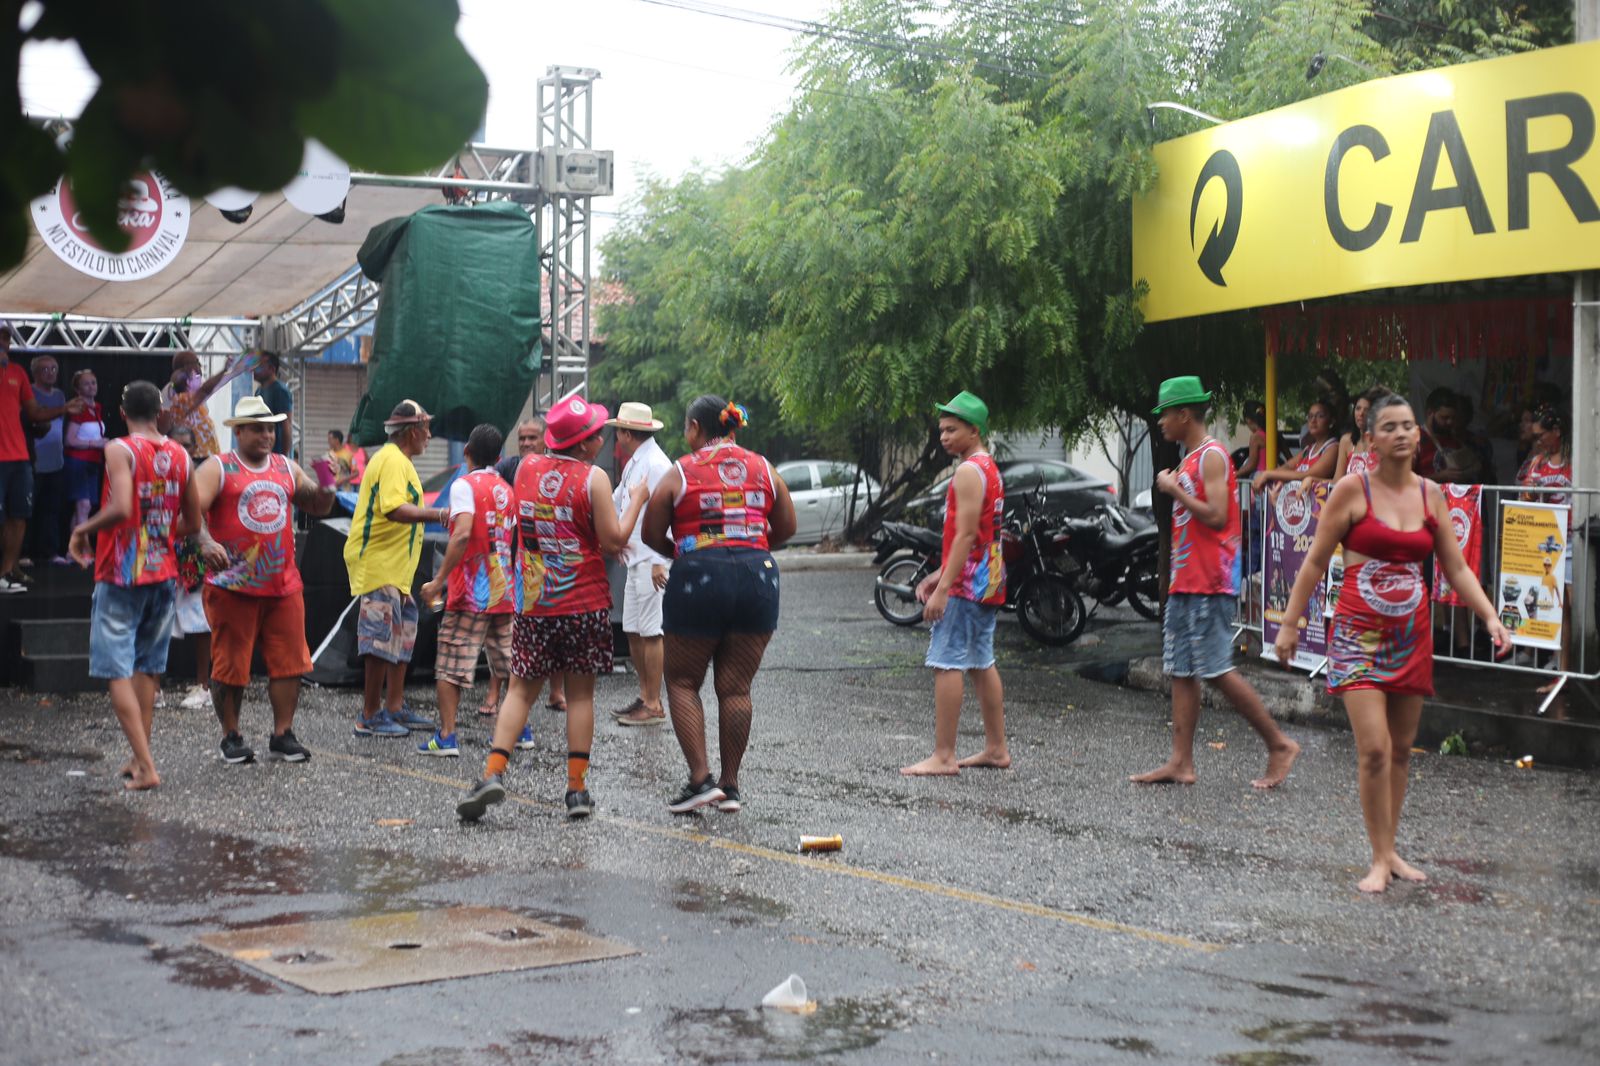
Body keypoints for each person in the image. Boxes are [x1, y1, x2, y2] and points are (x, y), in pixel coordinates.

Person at [1275, 393, 1509, 893]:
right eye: (1392, 427)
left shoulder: (1431, 495)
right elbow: (1316, 561)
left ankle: (1391, 849)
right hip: (1359, 634)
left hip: (1411, 634)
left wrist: (1489, 616)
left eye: (1409, 426)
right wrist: (1290, 624)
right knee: (1375, 749)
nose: (1404, 433)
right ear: (1373, 438)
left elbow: (1456, 567)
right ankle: (1378, 859)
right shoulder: (1351, 490)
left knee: (1401, 750)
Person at [456, 396, 647, 821]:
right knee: (580, 696)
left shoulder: (526, 468)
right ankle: (576, 790)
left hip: (534, 603)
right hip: (583, 603)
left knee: (521, 689)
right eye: (596, 434)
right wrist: (637, 499)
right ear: (583, 445)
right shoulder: (593, 478)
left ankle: (492, 772)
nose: (602, 438)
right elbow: (614, 539)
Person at [1132, 377, 1300, 789]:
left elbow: (1218, 516)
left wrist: (1173, 489)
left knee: (1216, 669)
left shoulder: (1213, 456)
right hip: (1187, 581)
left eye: (1165, 415)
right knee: (1182, 670)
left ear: (1184, 414)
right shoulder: (1191, 458)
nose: (1161, 424)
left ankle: (1278, 744)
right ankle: (1180, 762)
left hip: (1209, 581)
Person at [635, 395, 797, 810]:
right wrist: (749, 548)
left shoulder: (680, 471)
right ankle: (731, 785)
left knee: (683, 681)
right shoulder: (763, 467)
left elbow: (652, 533)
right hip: (758, 575)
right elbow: (787, 526)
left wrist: (690, 554)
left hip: (698, 579)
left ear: (694, 427)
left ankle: (701, 779)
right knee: (736, 687)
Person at [67, 380, 199, 791]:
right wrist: (156, 533)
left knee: (115, 670)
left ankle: (146, 766)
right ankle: (139, 756)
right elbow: (193, 524)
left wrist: (81, 530)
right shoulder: (180, 454)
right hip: (163, 573)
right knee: (146, 668)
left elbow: (122, 507)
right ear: (160, 412)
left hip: (122, 574)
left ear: (121, 413)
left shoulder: (119, 448)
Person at [192, 396, 334, 764]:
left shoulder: (286, 467)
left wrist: (330, 483)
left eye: (270, 428)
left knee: (291, 662)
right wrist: (205, 541)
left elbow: (317, 506)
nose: (266, 435)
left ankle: (283, 733)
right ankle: (231, 735)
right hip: (232, 586)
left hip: (283, 584)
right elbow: (189, 510)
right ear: (238, 431)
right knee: (230, 664)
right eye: (257, 428)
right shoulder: (217, 467)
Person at [900, 390, 1012, 778]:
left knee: (946, 660)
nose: (944, 437)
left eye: (952, 429)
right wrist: (938, 573)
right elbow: (978, 534)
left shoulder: (967, 471)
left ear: (973, 430)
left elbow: (965, 535)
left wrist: (945, 587)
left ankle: (944, 755)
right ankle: (996, 748)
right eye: (942, 430)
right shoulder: (988, 467)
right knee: (981, 660)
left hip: (966, 583)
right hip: (988, 577)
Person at [342, 399, 446, 738]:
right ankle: (369, 715)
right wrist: (439, 514)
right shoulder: (391, 460)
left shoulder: (399, 460)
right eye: (426, 428)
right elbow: (392, 508)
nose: (429, 435)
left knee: (401, 638)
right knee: (380, 638)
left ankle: (395, 706)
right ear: (413, 431)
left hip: (396, 569)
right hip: (379, 564)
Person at [415, 423, 516, 757]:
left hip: (470, 592)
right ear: (499, 457)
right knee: (509, 662)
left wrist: (438, 581)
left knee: (450, 662)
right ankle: (520, 729)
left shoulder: (464, 486)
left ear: (467, 453)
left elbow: (461, 535)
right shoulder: (506, 488)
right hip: (503, 590)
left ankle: (447, 736)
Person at [488, 416, 565, 716]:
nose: (526, 443)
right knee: (507, 629)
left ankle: (556, 692)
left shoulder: (556, 469)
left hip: (549, 560)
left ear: (546, 439)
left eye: (532, 438)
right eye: (522, 438)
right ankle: (495, 694)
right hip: (513, 560)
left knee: (555, 627)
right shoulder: (507, 468)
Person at [607, 401, 674, 726]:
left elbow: (670, 510)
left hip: (651, 560)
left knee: (650, 631)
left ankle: (653, 702)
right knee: (633, 629)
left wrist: (662, 559)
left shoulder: (656, 464)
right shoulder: (637, 461)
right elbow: (619, 499)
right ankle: (646, 695)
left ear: (625, 432)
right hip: (636, 557)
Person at [0, 325, 80, 593]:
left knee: (19, 515)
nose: (4, 343)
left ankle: (8, 570)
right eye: (0, 339)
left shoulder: (17, 372)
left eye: (7, 339)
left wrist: (64, 408)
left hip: (19, 456)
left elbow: (34, 413)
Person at [1520, 405, 1573, 695]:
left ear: (1557, 432)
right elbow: (1526, 496)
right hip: (1546, 541)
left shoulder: (1574, 460)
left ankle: (1573, 669)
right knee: (1558, 607)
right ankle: (1561, 672)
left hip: (1573, 539)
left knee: (1575, 606)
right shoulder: (1538, 461)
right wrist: (1531, 491)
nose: (1537, 440)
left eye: (1542, 435)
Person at [168, 425, 215, 711]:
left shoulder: (201, 477)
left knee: (199, 622)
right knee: (159, 622)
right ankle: (154, 687)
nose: (182, 450)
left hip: (193, 559)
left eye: (187, 445)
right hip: (162, 555)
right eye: (177, 444)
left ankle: (204, 685)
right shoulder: (157, 470)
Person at [27, 355, 68, 567]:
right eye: (45, 369)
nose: (51, 373)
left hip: (56, 461)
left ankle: (50, 552)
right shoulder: (30, 393)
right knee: (27, 510)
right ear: (35, 373)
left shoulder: (60, 395)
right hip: (33, 461)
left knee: (51, 510)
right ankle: (24, 553)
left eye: (54, 369)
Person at [1250, 398, 1337, 499]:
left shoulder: (1332, 448)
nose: (1313, 420)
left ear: (1331, 421)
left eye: (1320, 416)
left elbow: (1305, 475)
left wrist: (1268, 474)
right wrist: (1268, 476)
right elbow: (1287, 466)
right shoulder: (1308, 449)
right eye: (1310, 416)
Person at [62, 369, 106, 555]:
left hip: (93, 462)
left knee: (84, 508)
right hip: (78, 462)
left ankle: (73, 550)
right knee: (83, 506)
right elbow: (70, 440)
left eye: (93, 382)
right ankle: (83, 549)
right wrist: (95, 443)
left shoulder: (97, 407)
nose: (91, 386)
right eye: (87, 383)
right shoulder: (78, 408)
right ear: (78, 389)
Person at [1415, 387, 1481, 484]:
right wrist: (1441, 476)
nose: (1450, 422)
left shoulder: (1455, 439)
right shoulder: (1415, 438)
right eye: (1444, 417)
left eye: (1453, 418)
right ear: (1430, 413)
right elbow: (1405, 481)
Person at [1334, 386, 1387, 480]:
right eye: (1358, 408)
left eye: (1367, 410)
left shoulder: (1384, 442)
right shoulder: (1346, 441)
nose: (1361, 414)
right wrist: (1311, 479)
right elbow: (1337, 482)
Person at [253, 351, 293, 456]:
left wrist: (282, 458)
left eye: (259, 367)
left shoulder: (280, 391)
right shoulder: (258, 391)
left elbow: (286, 425)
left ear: (272, 369)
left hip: (275, 454)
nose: (254, 370)